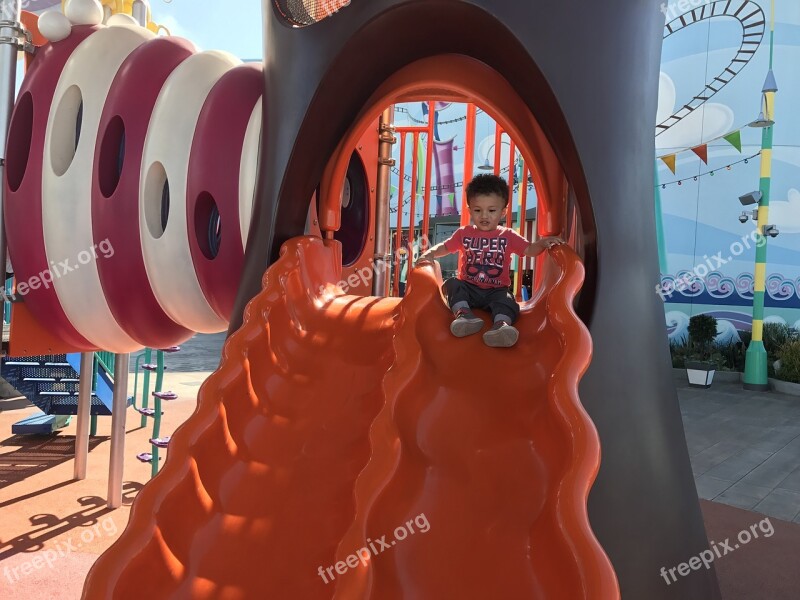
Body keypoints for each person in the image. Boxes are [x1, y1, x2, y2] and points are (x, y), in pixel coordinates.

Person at [417, 174, 563, 347]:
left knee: (508, 300)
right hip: (469, 287)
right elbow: (446, 247)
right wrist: (430, 254)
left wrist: (542, 243)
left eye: (491, 210)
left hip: (496, 291)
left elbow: (529, 250)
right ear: (470, 210)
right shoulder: (464, 233)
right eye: (477, 210)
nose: (484, 216)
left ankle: (501, 326)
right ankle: (464, 315)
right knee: (452, 284)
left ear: (503, 211)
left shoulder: (507, 235)